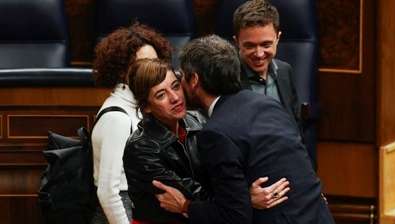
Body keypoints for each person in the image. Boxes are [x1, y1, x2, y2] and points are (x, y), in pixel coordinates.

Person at [152, 34, 334, 224]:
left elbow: (234, 216)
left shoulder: (215, 134)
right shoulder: (267, 103)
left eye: (182, 76)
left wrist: (185, 205)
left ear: (194, 80)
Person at [123, 58, 291, 224]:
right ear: (146, 107)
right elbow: (189, 193)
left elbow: (225, 173)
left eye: (176, 86)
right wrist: (244, 201)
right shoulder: (140, 147)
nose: (175, 97)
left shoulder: (198, 119)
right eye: (161, 95)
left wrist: (238, 199)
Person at [91, 22, 173, 224]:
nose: (152, 70)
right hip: (119, 212)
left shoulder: (138, 104)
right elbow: (108, 193)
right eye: (142, 64)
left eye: (155, 62)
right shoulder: (118, 117)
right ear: (121, 71)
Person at [232, 0, 317, 170]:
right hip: (252, 173)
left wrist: (305, 168)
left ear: (278, 38)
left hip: (290, 165)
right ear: (236, 41)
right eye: (249, 45)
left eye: (266, 44)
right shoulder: (228, 79)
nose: (259, 54)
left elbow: (295, 128)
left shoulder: (285, 71)